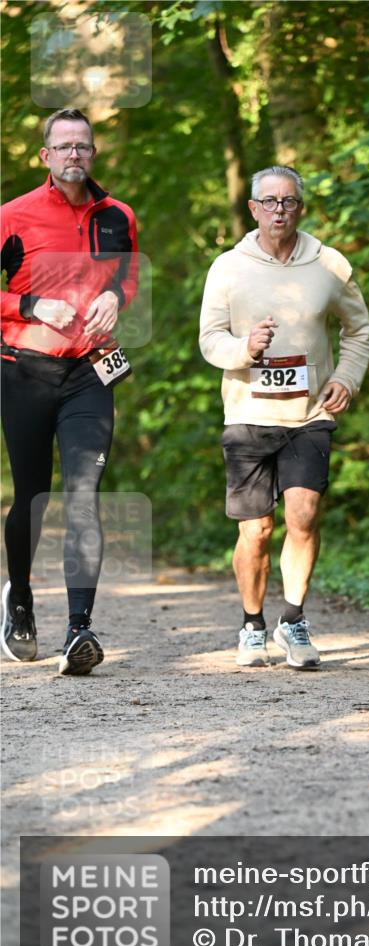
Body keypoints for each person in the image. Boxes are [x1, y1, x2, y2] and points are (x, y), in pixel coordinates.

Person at [199, 165, 369, 670]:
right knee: (256, 531)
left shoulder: (329, 265)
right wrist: (245, 348)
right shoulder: (228, 268)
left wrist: (346, 378)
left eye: (289, 201)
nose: (280, 210)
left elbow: (358, 330)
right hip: (248, 412)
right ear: (253, 209)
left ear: (301, 208)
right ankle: (252, 625)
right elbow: (210, 340)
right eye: (270, 202)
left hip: (310, 413)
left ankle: (292, 619)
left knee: (304, 515)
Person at [1, 108, 139, 675]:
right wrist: (30, 305)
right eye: (63, 147)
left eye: (82, 145)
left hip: (89, 372)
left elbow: (127, 276)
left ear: (93, 153)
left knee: (85, 493)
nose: (74, 154)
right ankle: (20, 601)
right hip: (24, 372)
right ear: (46, 156)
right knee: (33, 495)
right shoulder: (12, 216)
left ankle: (79, 629)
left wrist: (117, 298)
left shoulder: (118, 216)